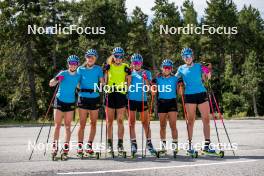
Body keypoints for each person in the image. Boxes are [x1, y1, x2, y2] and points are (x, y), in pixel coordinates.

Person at [175, 48, 212, 153]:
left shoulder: (199, 66)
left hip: (201, 93)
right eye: (185, 56)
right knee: (191, 120)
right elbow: (173, 79)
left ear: (193, 56)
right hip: (189, 96)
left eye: (189, 55)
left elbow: (207, 77)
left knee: (206, 119)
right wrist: (178, 81)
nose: (187, 58)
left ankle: (207, 145)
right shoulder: (181, 68)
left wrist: (207, 69)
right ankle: (189, 144)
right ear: (183, 58)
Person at [49, 55, 80, 157]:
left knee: (67, 126)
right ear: (68, 64)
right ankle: (54, 147)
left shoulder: (78, 75)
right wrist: (57, 78)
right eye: (71, 63)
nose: (73, 65)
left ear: (77, 64)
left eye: (75, 63)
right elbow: (51, 84)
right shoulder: (63, 73)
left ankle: (66, 148)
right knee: (57, 125)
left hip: (70, 102)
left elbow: (80, 86)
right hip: (59, 101)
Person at [127, 53, 157, 156]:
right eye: (134, 62)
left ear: (141, 63)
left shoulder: (146, 72)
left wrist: (146, 79)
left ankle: (149, 143)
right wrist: (128, 79)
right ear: (132, 63)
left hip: (142, 100)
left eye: (138, 62)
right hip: (131, 100)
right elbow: (126, 86)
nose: (136, 64)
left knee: (145, 123)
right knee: (131, 123)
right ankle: (133, 144)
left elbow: (150, 88)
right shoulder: (129, 72)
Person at [76, 49, 104, 156]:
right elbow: (76, 81)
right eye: (88, 56)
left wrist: (101, 87)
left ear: (95, 58)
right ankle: (79, 147)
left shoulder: (98, 69)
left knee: (93, 123)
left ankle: (89, 146)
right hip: (83, 97)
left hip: (95, 98)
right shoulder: (80, 69)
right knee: (82, 123)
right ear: (85, 58)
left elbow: (102, 81)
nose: (90, 58)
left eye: (92, 57)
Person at [103, 47, 131, 154]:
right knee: (109, 121)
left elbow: (129, 80)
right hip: (110, 94)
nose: (118, 58)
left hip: (121, 95)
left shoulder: (126, 67)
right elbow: (105, 81)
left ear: (122, 57)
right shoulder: (109, 66)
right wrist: (105, 71)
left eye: (120, 56)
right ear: (113, 56)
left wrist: (126, 89)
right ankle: (109, 144)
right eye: (116, 56)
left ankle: (120, 144)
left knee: (120, 120)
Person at [152, 59, 178, 154]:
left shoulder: (175, 78)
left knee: (173, 125)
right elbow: (153, 89)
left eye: (169, 67)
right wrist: (153, 85)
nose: (167, 69)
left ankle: (175, 146)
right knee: (162, 125)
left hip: (172, 102)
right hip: (161, 102)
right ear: (162, 68)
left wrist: (180, 84)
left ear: (171, 69)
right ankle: (163, 147)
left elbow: (180, 89)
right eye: (165, 67)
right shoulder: (158, 78)